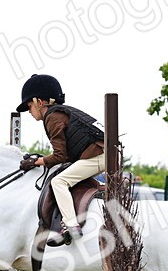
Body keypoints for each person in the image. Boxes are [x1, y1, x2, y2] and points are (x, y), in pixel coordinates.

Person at [15, 74, 106, 246]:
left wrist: (34, 162)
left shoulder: (53, 116)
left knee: (59, 182)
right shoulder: (61, 112)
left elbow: (59, 156)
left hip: (101, 155)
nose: (29, 112)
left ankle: (71, 226)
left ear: (39, 102)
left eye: (29, 106)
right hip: (103, 152)